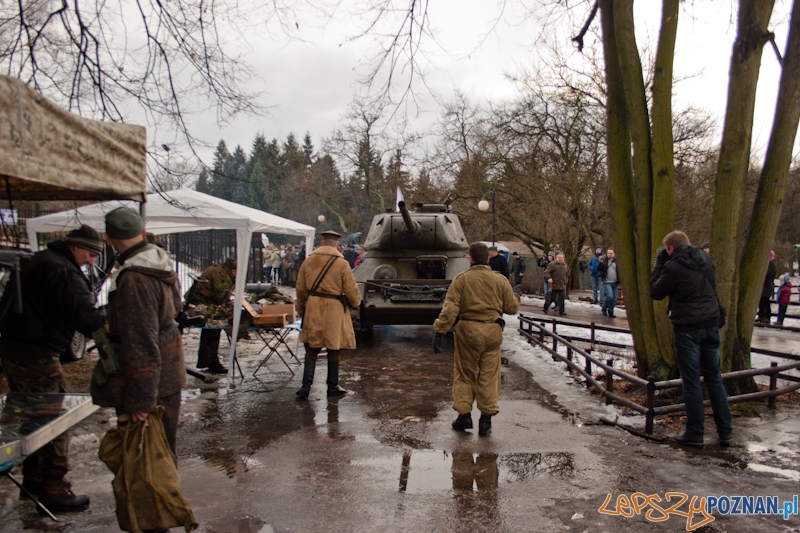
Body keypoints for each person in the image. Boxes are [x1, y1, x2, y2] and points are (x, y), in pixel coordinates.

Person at [0, 225, 106, 510]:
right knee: (52, 418)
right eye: (90, 253)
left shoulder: (37, 260)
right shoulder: (63, 271)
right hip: (37, 353)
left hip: (13, 349)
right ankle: (53, 486)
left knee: (30, 414)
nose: (92, 261)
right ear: (76, 246)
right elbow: (87, 318)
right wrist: (109, 313)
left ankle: (33, 479)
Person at [91, 207, 187, 458]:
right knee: (161, 454)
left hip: (152, 384)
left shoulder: (135, 278)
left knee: (151, 460)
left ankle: (159, 499)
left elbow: (141, 343)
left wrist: (141, 399)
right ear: (143, 232)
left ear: (108, 239)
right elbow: (175, 309)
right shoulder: (159, 264)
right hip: (166, 375)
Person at [650, 230, 732, 448]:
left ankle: (695, 432)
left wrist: (659, 263)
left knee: (692, 380)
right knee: (714, 378)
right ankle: (726, 431)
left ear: (670, 248)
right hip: (711, 323)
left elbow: (656, 291)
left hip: (688, 327)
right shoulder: (705, 259)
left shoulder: (673, 266)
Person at [432, 242, 520, 436]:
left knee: (464, 374)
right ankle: (486, 420)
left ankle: (464, 416)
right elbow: (512, 308)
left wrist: (440, 331)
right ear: (488, 258)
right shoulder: (500, 280)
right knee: (489, 375)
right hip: (493, 330)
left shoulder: (461, 280)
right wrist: (516, 296)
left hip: (468, 330)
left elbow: (451, 309)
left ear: (469, 258)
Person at [295, 230, 362, 398]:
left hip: (313, 306)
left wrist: (302, 309)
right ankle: (332, 387)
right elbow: (351, 289)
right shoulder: (342, 263)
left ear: (322, 243)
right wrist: (356, 303)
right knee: (334, 348)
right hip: (334, 308)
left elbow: (300, 289)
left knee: (311, 350)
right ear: (337, 245)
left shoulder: (308, 261)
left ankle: (305, 388)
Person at [185, 257, 237, 374]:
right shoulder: (221, 274)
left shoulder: (221, 270)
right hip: (199, 304)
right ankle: (211, 363)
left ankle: (209, 362)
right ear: (234, 270)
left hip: (201, 302)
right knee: (212, 330)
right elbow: (221, 296)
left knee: (211, 331)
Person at [598, 248, 620, 318]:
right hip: (607, 282)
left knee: (614, 298)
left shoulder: (616, 262)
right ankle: (604, 308)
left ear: (614, 254)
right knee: (609, 296)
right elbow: (598, 268)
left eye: (611, 253)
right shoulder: (605, 261)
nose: (609, 255)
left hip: (615, 282)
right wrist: (600, 262)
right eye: (608, 253)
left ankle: (611, 311)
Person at [758, 250, 777, 323]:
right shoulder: (766, 264)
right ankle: (761, 315)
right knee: (761, 301)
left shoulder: (772, 265)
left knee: (766, 301)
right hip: (763, 286)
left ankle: (767, 316)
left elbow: (769, 274)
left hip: (767, 286)